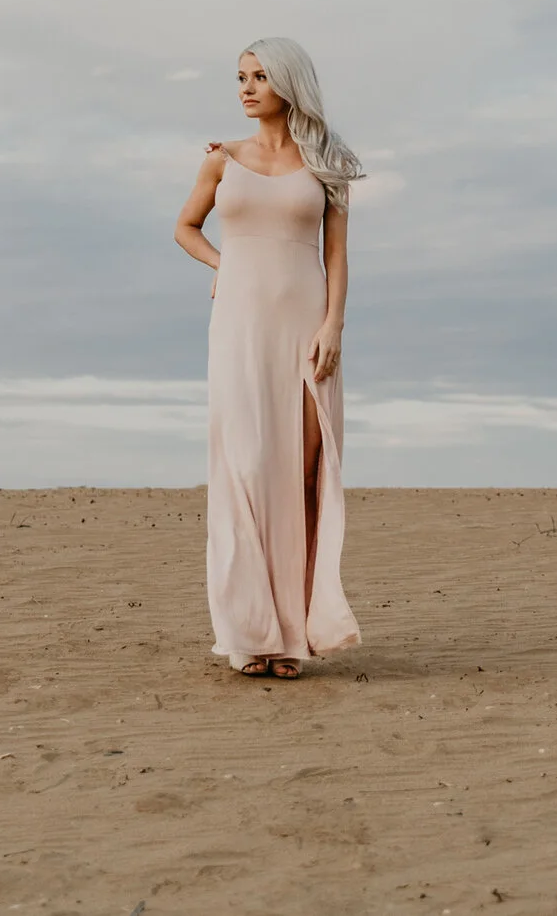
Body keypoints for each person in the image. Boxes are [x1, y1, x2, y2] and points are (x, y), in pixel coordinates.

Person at [173, 37, 364, 679]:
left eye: (259, 77)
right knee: (248, 464)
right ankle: (247, 631)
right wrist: (226, 266)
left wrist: (334, 324)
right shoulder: (221, 159)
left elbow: (336, 254)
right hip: (239, 323)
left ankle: (292, 638)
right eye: (240, 77)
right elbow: (185, 228)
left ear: (289, 83)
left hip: (307, 323)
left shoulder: (327, 161)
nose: (246, 88)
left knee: (303, 474)